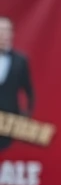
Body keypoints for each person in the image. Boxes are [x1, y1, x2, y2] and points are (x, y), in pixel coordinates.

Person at [0, 16, 34, 153]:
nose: (4, 35)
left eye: (7, 30)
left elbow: (29, 91)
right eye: (1, 30)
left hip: (11, 123)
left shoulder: (21, 61)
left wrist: (26, 115)